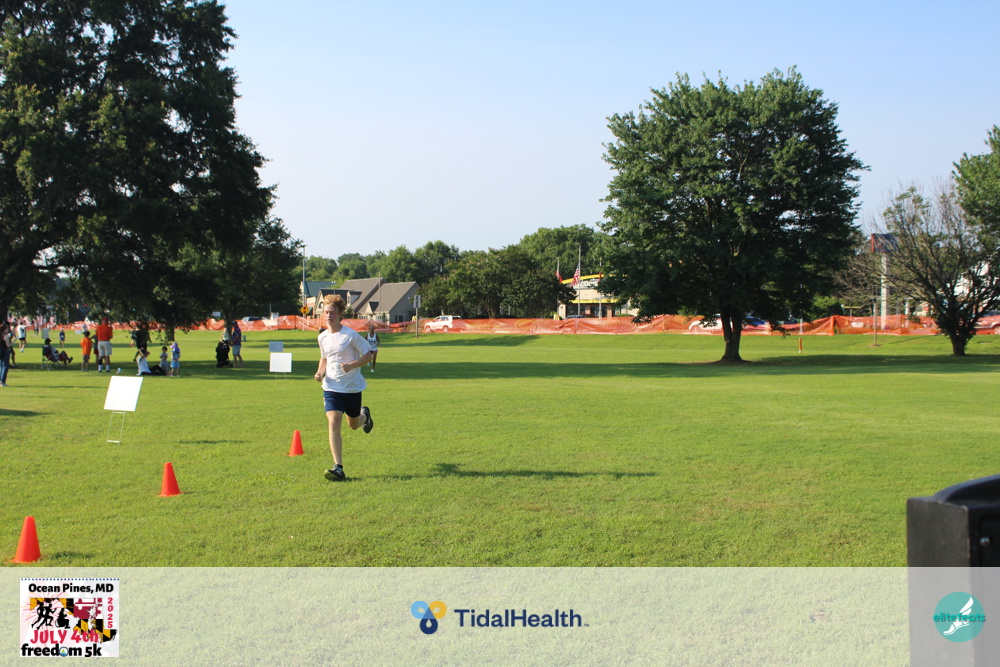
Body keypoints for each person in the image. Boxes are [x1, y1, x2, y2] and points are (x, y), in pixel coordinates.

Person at [314, 294, 374, 482]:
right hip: (331, 387)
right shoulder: (322, 337)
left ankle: (365, 416)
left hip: (351, 388)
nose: (328, 316)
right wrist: (320, 372)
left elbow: (368, 355)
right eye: (326, 312)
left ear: (340, 314)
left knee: (354, 425)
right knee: (333, 421)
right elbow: (324, 358)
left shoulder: (350, 336)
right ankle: (338, 467)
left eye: (332, 312)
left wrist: (352, 365)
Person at [0, 321, 13, 387]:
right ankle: (3, 382)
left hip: (1, 352)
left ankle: (0, 381)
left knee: (1, 366)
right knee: (5, 366)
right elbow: (8, 345)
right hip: (6, 352)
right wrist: (12, 342)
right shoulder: (6, 336)